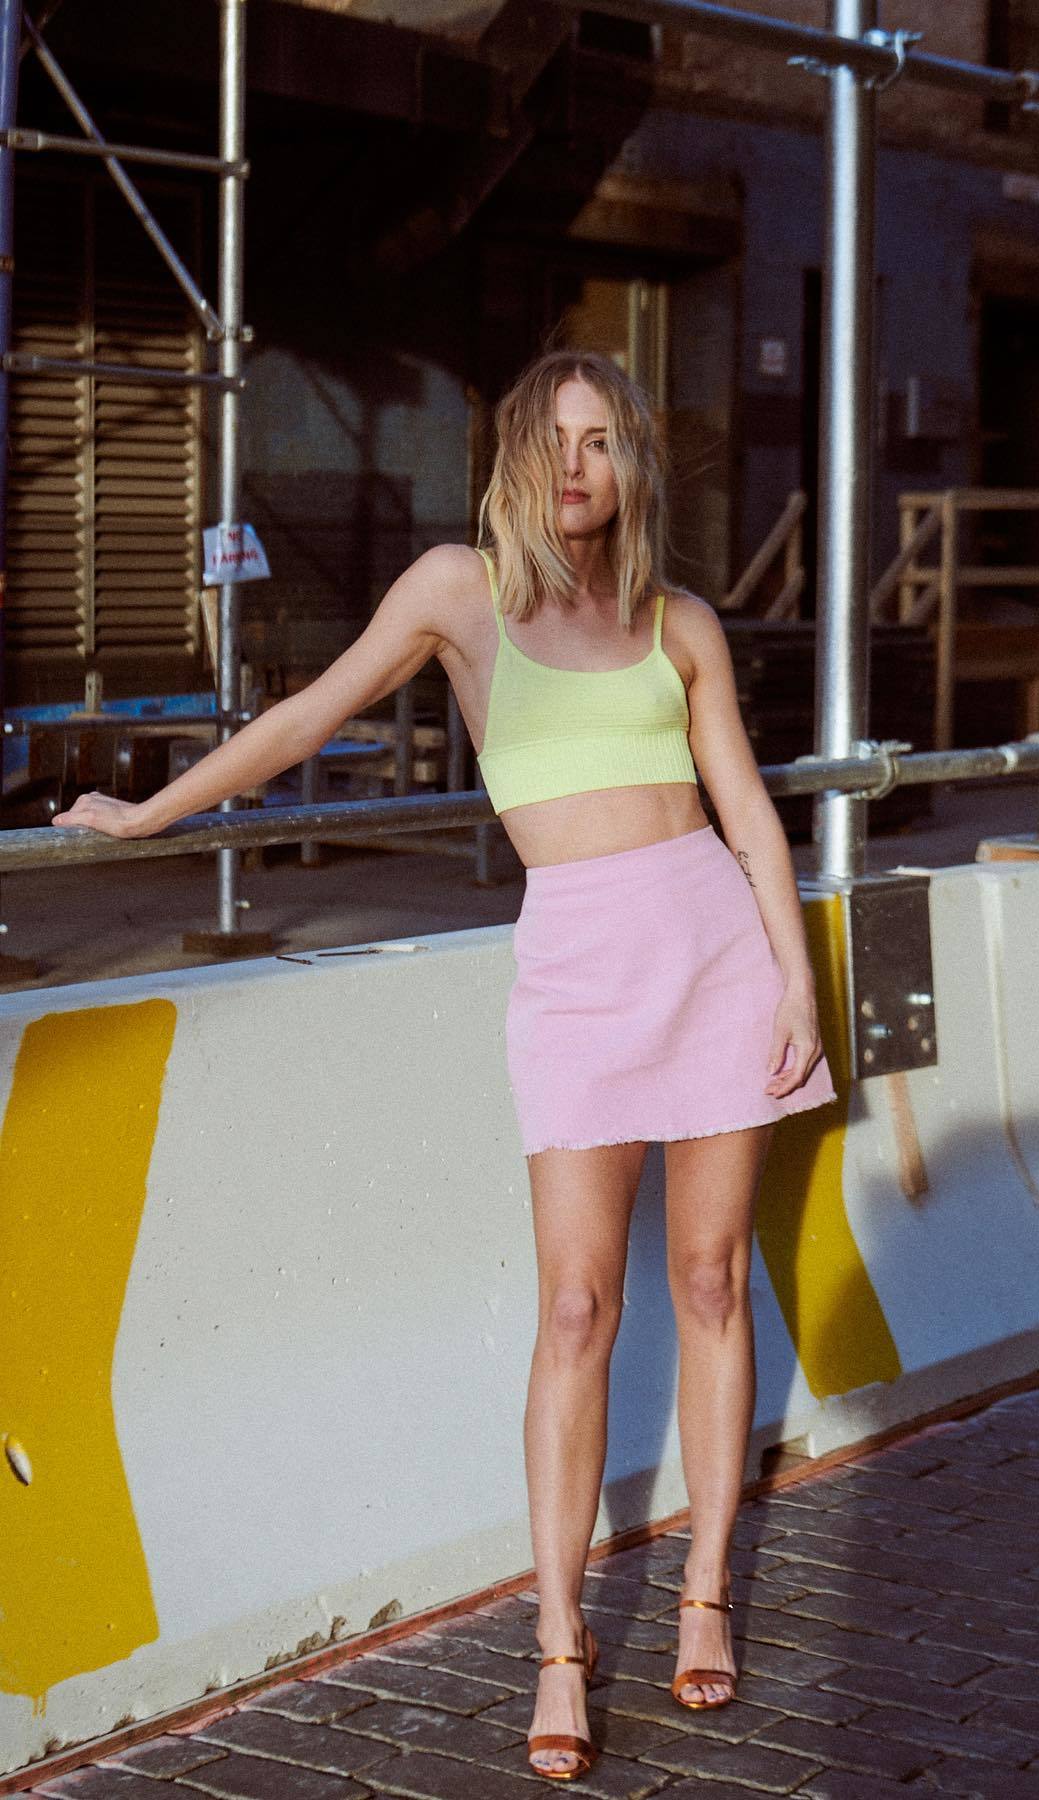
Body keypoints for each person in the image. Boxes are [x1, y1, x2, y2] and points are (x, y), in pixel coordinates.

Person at [54, 348, 839, 1781]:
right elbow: (308, 717)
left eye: (602, 442)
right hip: (578, 975)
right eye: (557, 440)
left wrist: (794, 979)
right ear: (518, 457)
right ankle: (560, 1642)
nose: (578, 467)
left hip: (717, 959)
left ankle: (706, 1591)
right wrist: (152, 816)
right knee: (576, 1306)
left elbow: (746, 811)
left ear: (632, 463)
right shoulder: (455, 592)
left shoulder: (681, 623)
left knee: (714, 1282)